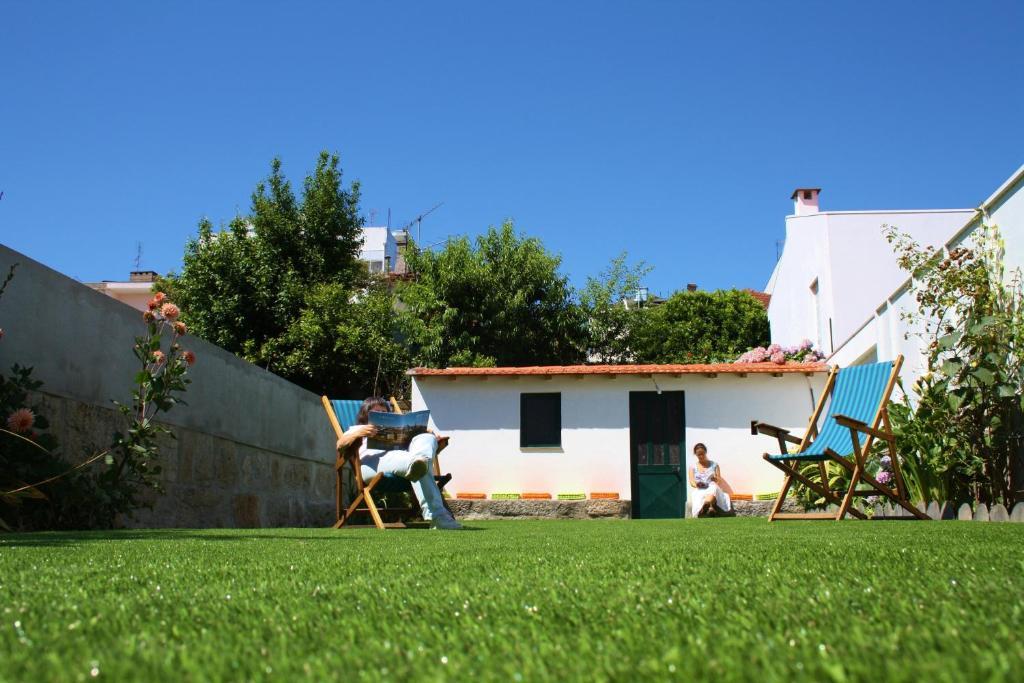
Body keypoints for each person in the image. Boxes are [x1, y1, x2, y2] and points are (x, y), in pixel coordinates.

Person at [336, 397, 462, 530]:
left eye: (385, 413)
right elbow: (340, 445)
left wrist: (428, 436)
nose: (382, 415)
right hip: (372, 464)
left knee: (426, 439)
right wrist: (359, 433)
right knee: (418, 463)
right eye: (377, 413)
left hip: (402, 459)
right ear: (366, 415)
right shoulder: (357, 429)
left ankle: (419, 462)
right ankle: (439, 517)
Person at [687, 442, 733, 517]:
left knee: (713, 487)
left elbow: (719, 481)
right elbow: (692, 482)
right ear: (695, 454)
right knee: (700, 494)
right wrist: (698, 484)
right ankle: (710, 507)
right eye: (699, 455)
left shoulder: (714, 465)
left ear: (706, 452)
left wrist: (715, 479)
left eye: (703, 454)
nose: (701, 456)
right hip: (701, 489)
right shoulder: (692, 467)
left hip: (713, 487)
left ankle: (707, 504)